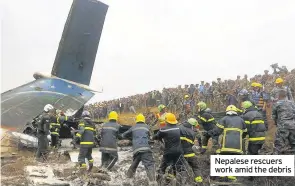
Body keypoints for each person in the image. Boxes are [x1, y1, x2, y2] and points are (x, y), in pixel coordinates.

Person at [209, 105, 247, 182]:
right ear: (236, 112)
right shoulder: (241, 120)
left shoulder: (224, 119)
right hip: (237, 147)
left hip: (225, 146)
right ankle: (231, 177)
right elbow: (245, 133)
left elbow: (217, 131)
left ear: (227, 112)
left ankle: (222, 176)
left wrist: (208, 134)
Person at [121, 114, 157, 185]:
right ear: (143, 120)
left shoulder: (133, 127)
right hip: (146, 149)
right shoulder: (147, 127)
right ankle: (152, 182)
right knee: (149, 165)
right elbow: (152, 138)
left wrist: (132, 138)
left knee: (134, 165)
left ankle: (127, 180)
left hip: (136, 150)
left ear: (137, 120)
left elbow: (123, 135)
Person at [153, 113, 184, 182]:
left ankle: (158, 182)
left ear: (167, 121)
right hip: (179, 152)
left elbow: (157, 136)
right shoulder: (179, 128)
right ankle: (179, 182)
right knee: (176, 167)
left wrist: (153, 137)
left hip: (169, 152)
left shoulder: (164, 129)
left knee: (162, 168)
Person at [179, 118, 203, 184]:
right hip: (190, 153)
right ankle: (199, 182)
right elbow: (199, 140)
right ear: (192, 125)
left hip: (180, 154)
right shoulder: (192, 132)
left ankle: (182, 183)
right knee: (196, 167)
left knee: (182, 169)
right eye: (195, 126)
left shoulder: (179, 127)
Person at [272, 90, 295, 154]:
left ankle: (279, 160)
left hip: (282, 126)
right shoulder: (292, 103)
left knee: (279, 145)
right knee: (293, 144)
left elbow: (274, 116)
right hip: (293, 126)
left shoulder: (277, 104)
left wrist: (276, 124)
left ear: (278, 96)